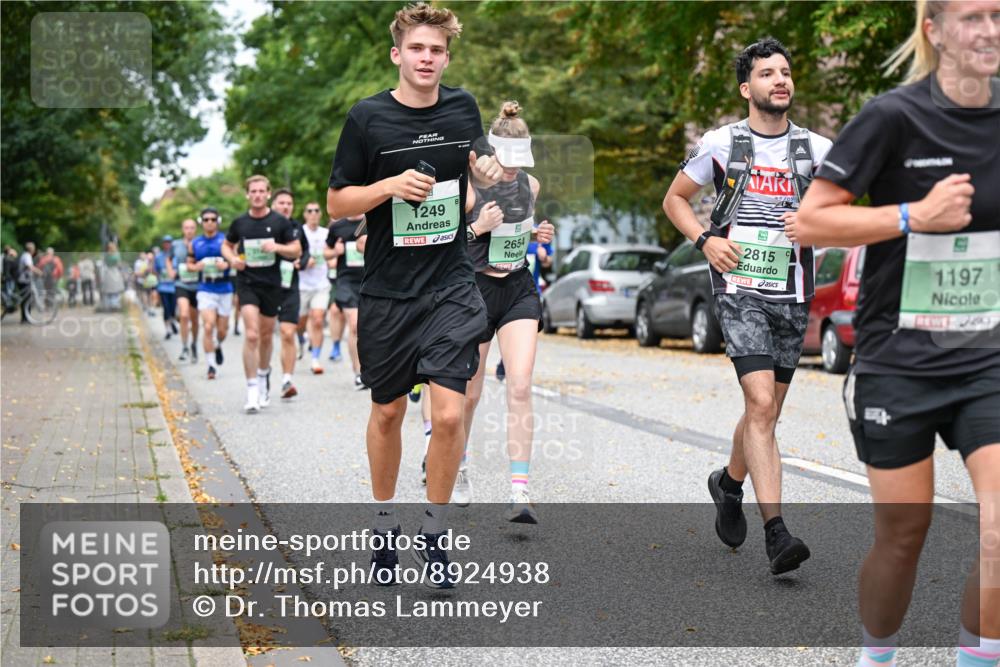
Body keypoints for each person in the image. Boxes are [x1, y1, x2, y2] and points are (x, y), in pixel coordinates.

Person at [794, 1, 999, 664]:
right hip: (897, 358)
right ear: (935, 31)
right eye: (974, 17)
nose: (991, 30)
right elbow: (813, 221)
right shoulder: (892, 116)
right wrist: (915, 215)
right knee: (903, 534)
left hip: (986, 356)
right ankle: (875, 654)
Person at [326, 2, 502, 587]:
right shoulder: (367, 118)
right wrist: (388, 186)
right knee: (388, 411)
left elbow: (474, 172)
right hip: (387, 290)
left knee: (449, 414)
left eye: (437, 50)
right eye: (417, 49)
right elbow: (338, 203)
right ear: (398, 54)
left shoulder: (462, 106)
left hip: (451, 281)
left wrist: (486, 174)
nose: (427, 58)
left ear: (446, 57)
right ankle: (383, 526)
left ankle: (433, 530)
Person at [663, 37, 832, 575]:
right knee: (761, 405)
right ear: (747, 88)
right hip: (739, 288)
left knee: (768, 410)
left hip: (793, 289)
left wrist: (816, 222)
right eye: (767, 73)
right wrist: (705, 241)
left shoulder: (818, 149)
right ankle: (777, 533)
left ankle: (728, 484)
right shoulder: (721, 143)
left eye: (785, 71)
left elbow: (847, 210)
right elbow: (674, 200)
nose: (780, 80)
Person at [460, 101, 556, 520]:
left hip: (518, 288)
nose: (514, 169)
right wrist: (478, 226)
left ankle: (519, 492)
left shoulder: (531, 187)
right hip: (475, 289)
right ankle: (456, 467)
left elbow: (520, 227)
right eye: (507, 160)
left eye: (521, 161)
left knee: (519, 385)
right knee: (470, 394)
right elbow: (447, 245)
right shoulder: (470, 188)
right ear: (491, 153)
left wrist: (538, 233)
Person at [221, 175, 302, 414]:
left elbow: (296, 249)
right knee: (253, 335)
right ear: (247, 195)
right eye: (252, 191)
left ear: (268, 194)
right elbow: (226, 245)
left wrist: (277, 247)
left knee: (266, 336)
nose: (257, 195)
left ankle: (264, 374)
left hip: (272, 284)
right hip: (247, 283)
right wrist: (233, 259)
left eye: (261, 191)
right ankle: (252, 390)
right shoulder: (240, 223)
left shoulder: (279, 222)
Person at [272, 188, 310, 399]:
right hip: (266, 288)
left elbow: (306, 254)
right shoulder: (263, 227)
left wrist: (300, 263)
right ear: (274, 205)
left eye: (289, 203)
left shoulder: (297, 228)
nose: (286, 206)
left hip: (290, 287)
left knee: (287, 333)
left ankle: (287, 380)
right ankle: (262, 372)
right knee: (263, 335)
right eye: (282, 203)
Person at [324, 215, 368, 388]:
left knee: (369, 327)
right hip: (346, 282)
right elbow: (325, 253)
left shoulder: (371, 219)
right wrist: (335, 252)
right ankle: (359, 373)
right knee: (355, 325)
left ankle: (371, 367)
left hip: (370, 280)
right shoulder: (337, 227)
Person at [189, 207, 233, 380]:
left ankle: (217, 344)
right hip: (205, 288)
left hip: (224, 288)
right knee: (208, 326)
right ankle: (211, 365)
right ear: (201, 222)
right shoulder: (195, 243)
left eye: (213, 219)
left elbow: (236, 259)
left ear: (218, 221)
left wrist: (227, 265)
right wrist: (196, 267)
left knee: (222, 331)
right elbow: (189, 264)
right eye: (206, 219)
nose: (209, 222)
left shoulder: (225, 240)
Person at [298, 202, 331, 375]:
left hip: (321, 284)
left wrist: (332, 258)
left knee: (318, 319)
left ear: (320, 214)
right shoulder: (299, 232)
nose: (313, 213)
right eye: (309, 210)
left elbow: (332, 253)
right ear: (305, 214)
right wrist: (304, 262)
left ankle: (315, 359)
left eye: (316, 210)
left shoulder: (327, 233)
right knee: (300, 322)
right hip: (302, 285)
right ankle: (301, 339)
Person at [175, 219, 200, 363]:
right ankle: (184, 346)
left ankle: (194, 344)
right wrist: (171, 269)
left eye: (192, 228)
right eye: (186, 227)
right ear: (182, 229)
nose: (189, 230)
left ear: (195, 229)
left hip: (197, 286)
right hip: (181, 283)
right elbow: (169, 258)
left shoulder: (200, 243)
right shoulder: (176, 245)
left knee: (195, 319)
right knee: (184, 315)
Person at [154, 236, 179, 340]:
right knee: (166, 308)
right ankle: (168, 329)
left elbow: (178, 269)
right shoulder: (159, 257)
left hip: (174, 286)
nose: (167, 244)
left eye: (169, 242)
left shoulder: (176, 256)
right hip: (163, 287)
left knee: (173, 308)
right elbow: (155, 271)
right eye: (165, 242)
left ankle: (172, 321)